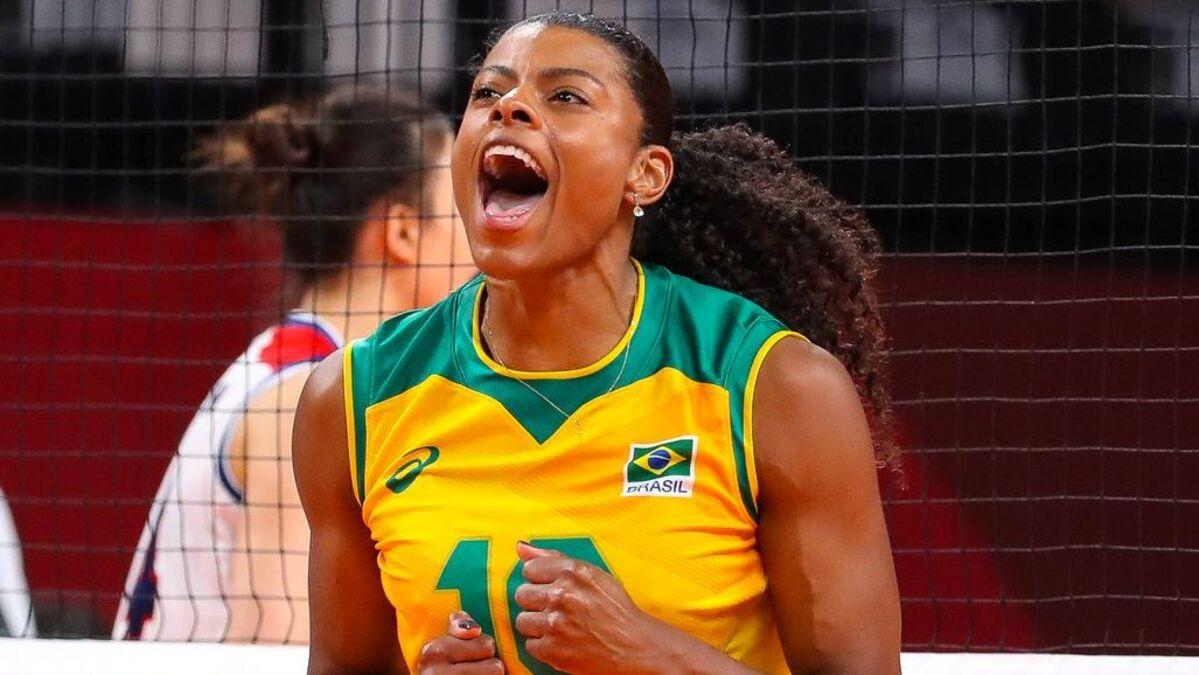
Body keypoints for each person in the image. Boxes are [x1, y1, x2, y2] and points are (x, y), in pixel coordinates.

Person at [295, 13, 901, 674]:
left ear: (645, 175)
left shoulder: (773, 386)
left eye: (566, 96)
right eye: (487, 92)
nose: (509, 107)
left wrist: (650, 655)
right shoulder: (354, 399)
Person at [113, 86, 474, 644]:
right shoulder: (301, 400)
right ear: (403, 232)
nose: (479, 241)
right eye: (461, 210)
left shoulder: (317, 371)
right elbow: (278, 652)